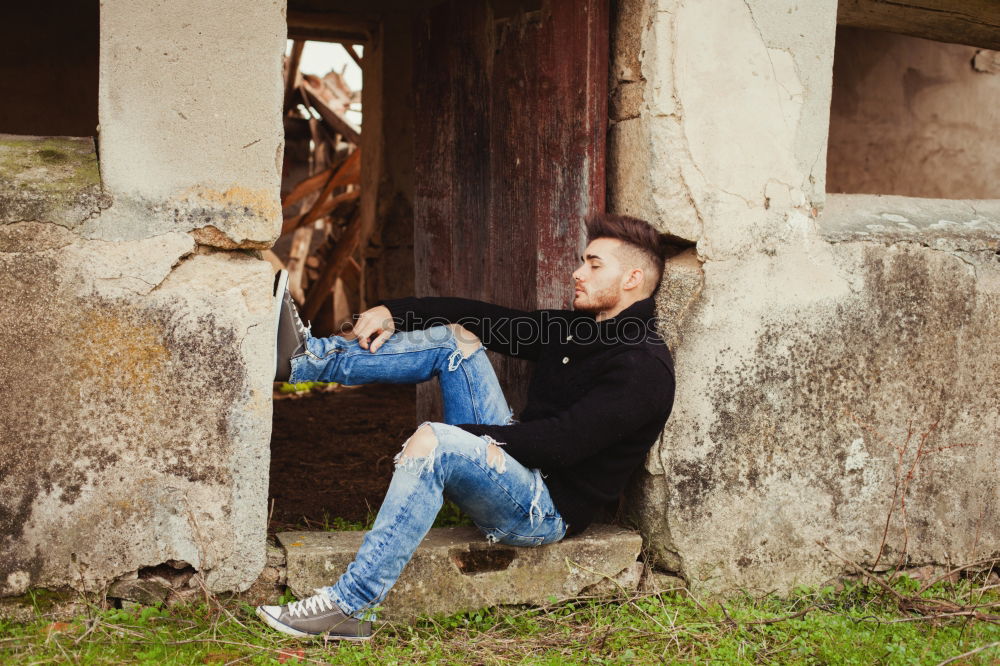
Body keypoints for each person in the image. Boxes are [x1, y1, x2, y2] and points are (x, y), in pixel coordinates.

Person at [256, 213, 676, 640]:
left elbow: (562, 443)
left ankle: (350, 605)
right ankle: (303, 358)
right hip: (521, 466)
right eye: (582, 262)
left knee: (437, 442)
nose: (577, 273)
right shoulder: (576, 330)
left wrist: (472, 440)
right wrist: (393, 311)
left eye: (593, 264)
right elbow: (481, 318)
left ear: (632, 278)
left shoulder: (643, 367)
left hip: (543, 510)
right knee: (455, 339)